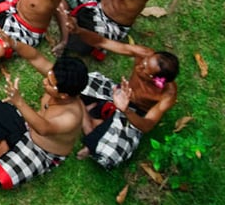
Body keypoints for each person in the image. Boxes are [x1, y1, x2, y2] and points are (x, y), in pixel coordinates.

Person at [66, 24, 178, 169]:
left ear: (156, 80)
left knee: (109, 156)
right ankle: (92, 123)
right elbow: (103, 42)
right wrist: (79, 30)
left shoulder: (167, 95)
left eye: (145, 69)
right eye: (143, 62)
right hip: (118, 92)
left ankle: (86, 114)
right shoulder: (144, 53)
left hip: (133, 113)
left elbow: (147, 125)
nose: (139, 66)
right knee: (73, 79)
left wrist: (125, 109)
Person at [0, 54, 88, 189]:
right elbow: (35, 57)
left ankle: (0, 161)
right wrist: (13, 43)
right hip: (28, 124)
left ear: (64, 95)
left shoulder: (71, 116)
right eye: (48, 76)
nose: (45, 81)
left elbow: (43, 129)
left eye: (49, 83)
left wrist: (19, 102)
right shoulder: (57, 77)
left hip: (40, 150)